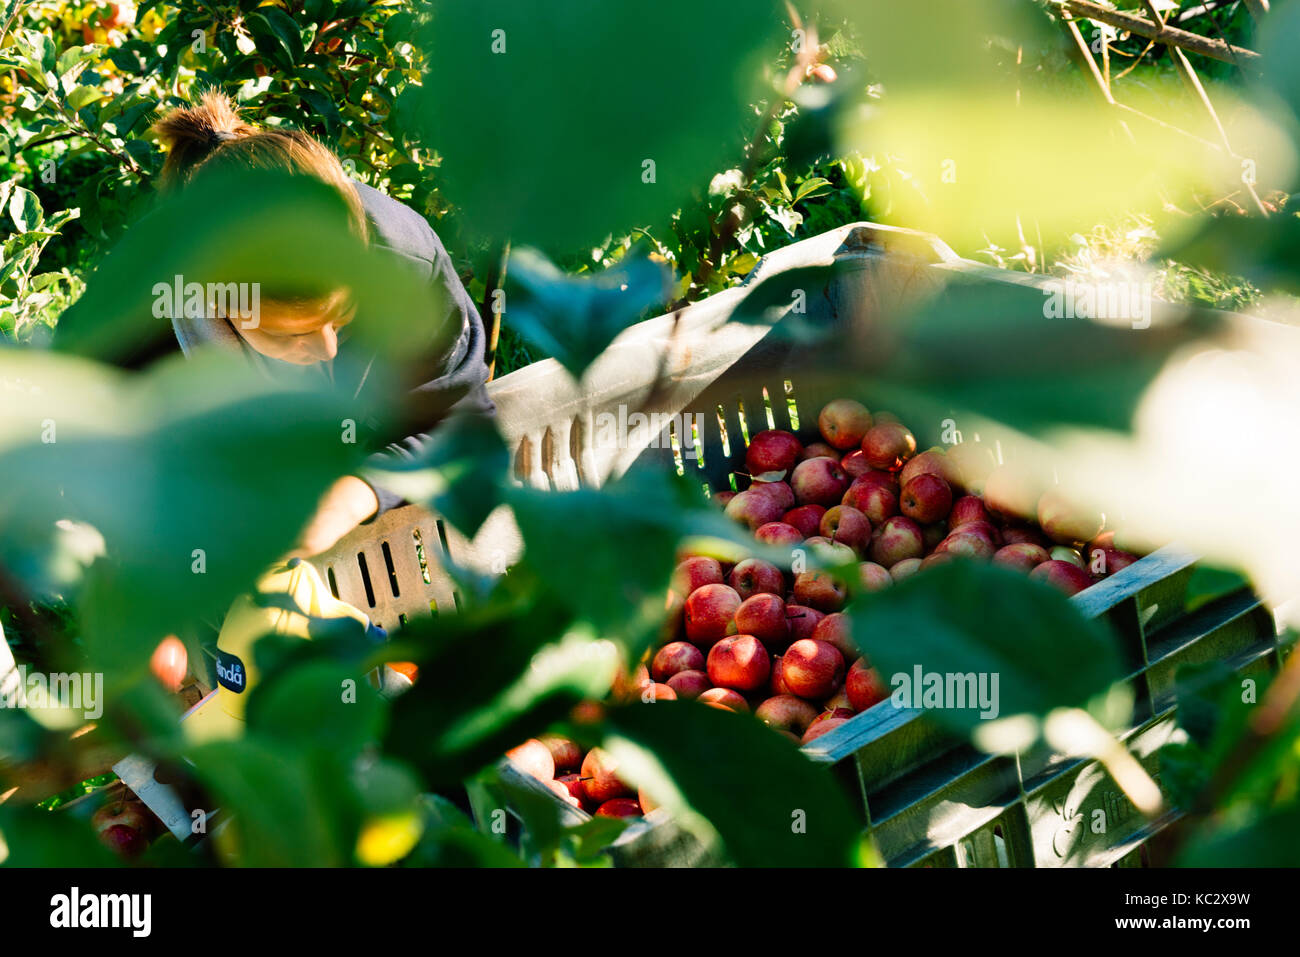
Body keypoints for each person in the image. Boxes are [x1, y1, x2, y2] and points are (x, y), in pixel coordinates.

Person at [151, 90, 494, 556]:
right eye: (286, 334)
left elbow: (461, 419)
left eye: (343, 316)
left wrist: (352, 498)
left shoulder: (403, 261)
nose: (327, 349)